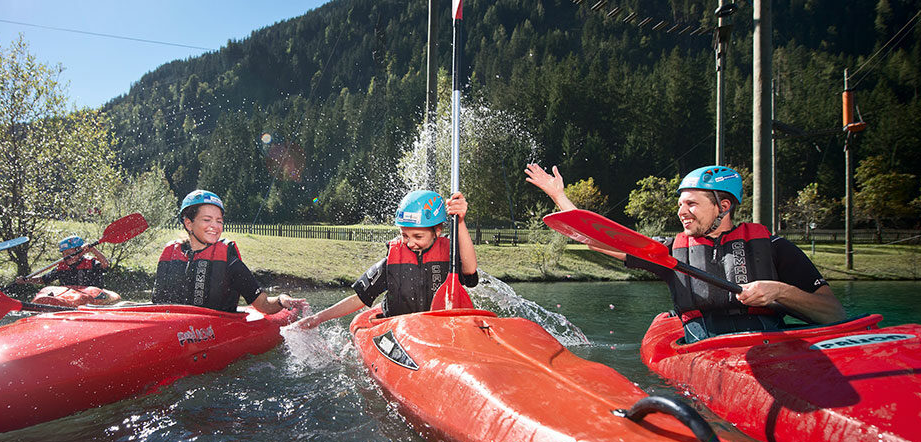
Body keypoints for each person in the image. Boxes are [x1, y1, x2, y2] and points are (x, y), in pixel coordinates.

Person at [525, 163, 845, 342]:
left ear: (724, 206)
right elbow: (595, 238)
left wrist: (780, 291)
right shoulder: (669, 251)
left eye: (691, 203)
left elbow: (832, 314)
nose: (682, 211)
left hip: (768, 346)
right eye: (680, 204)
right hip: (702, 350)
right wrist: (559, 196)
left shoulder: (776, 248)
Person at [294, 190, 479, 329]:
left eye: (418, 236)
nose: (410, 243)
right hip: (401, 330)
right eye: (405, 235)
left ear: (437, 231)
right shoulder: (392, 260)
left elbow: (470, 269)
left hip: (439, 329)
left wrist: (460, 221)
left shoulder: (449, 253)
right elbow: (360, 297)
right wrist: (317, 318)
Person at [153, 189, 307, 314]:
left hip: (217, 327)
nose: (215, 226)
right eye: (207, 220)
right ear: (189, 224)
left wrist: (281, 300)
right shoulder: (171, 253)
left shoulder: (230, 261)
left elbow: (264, 305)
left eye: (219, 221)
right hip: (172, 326)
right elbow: (157, 305)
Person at [15, 235, 109, 287]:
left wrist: (93, 250)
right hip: (70, 298)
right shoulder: (62, 267)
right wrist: (26, 280)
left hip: (92, 297)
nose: (66, 256)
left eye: (68, 253)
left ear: (79, 251)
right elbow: (43, 280)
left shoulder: (90, 263)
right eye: (63, 254)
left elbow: (105, 264)